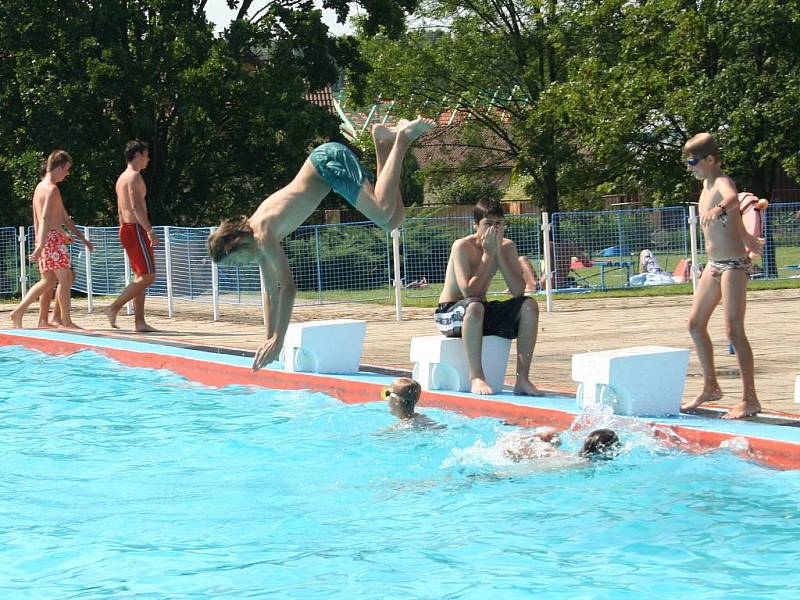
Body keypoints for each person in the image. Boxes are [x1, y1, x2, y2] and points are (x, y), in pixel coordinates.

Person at [207, 117, 436, 371]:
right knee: (394, 219)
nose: (243, 264)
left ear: (236, 243)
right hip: (324, 168)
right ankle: (383, 142)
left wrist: (279, 340)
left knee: (383, 213)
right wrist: (268, 341)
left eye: (237, 261)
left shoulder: (262, 235)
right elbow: (270, 293)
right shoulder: (258, 244)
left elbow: (288, 288)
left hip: (326, 162)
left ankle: (402, 137)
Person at [680, 132, 764, 419]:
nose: (689, 167)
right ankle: (711, 387)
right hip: (714, 265)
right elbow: (736, 216)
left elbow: (731, 199)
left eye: (692, 161)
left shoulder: (720, 182)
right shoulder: (705, 184)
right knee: (694, 324)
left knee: (733, 329)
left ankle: (749, 398)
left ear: (710, 159)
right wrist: (747, 236)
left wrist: (718, 207)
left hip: (734, 266)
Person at [434, 198, 542, 396]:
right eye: (488, 224)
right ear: (475, 225)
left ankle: (523, 378)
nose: (493, 229)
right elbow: (468, 292)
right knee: (475, 306)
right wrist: (487, 256)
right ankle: (476, 377)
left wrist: (498, 253)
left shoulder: (507, 246)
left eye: (498, 224)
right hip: (449, 313)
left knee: (529, 305)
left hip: (478, 312)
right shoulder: (462, 247)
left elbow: (519, 291)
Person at [10, 150, 93, 329]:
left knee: (47, 282)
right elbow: (47, 218)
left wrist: (81, 238)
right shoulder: (52, 188)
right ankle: (66, 320)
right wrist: (42, 244)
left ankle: (23, 313)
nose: (67, 174)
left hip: (45, 236)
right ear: (60, 167)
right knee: (65, 279)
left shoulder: (40, 187)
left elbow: (59, 218)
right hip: (50, 239)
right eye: (67, 170)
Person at [104, 140, 159, 332]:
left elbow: (121, 210)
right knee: (148, 275)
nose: (148, 159)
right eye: (146, 155)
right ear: (137, 155)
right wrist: (149, 230)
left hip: (126, 228)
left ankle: (140, 322)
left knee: (140, 276)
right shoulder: (134, 177)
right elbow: (135, 207)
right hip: (135, 228)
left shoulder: (121, 178)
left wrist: (126, 231)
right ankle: (114, 307)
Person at [501, 428, 620, 467]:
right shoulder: (578, 463)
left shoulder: (574, 457)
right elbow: (532, 469)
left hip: (515, 442)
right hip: (513, 446)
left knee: (555, 438)